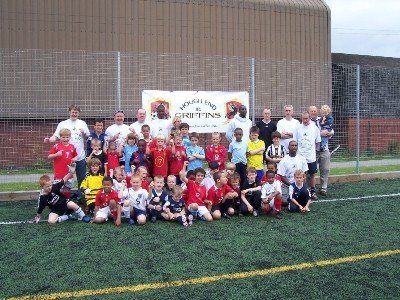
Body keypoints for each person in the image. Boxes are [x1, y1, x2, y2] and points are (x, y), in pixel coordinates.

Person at [44, 104, 90, 197]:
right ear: (69, 112)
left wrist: (84, 132)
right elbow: (55, 136)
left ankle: (81, 196)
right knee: (64, 178)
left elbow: (88, 136)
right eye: (73, 112)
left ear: (79, 113)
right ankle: (61, 197)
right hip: (67, 159)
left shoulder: (82, 123)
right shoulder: (63, 124)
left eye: (76, 112)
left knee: (81, 177)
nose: (74, 114)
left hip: (79, 156)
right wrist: (49, 140)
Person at [293, 112, 321, 200]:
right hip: (301, 157)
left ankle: (313, 192)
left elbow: (317, 142)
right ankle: (303, 191)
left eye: (306, 118)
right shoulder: (297, 128)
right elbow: (295, 142)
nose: (305, 120)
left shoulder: (314, 128)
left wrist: (315, 153)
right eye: (303, 119)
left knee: (312, 174)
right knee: (302, 174)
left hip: (311, 157)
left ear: (310, 118)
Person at [308, 105, 334, 196]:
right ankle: (310, 189)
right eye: (311, 111)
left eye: (315, 111)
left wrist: (330, 133)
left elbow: (331, 129)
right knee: (311, 171)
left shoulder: (322, 119)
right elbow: (308, 135)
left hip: (324, 149)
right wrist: (320, 134)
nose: (313, 113)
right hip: (313, 151)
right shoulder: (307, 122)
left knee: (325, 169)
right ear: (309, 112)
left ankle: (323, 188)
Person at [47, 128, 78, 199]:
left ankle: (67, 202)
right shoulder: (56, 146)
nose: (65, 139)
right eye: (63, 137)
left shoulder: (72, 147)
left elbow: (75, 155)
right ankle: (60, 203)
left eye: (67, 137)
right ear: (60, 137)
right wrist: (56, 155)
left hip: (69, 172)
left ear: (70, 137)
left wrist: (75, 159)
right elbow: (49, 156)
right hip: (59, 173)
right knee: (59, 189)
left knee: (67, 188)